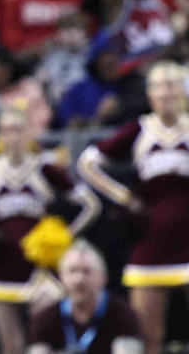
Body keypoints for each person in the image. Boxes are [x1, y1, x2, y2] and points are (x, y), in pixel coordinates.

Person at [0, 107, 101, 354]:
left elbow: (90, 204)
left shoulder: (45, 169)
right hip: (1, 267)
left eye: (18, 130)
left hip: (39, 270)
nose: (12, 137)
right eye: (6, 131)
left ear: (29, 133)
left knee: (45, 341)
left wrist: (66, 235)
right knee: (11, 346)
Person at [77, 61, 189, 354]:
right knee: (148, 334)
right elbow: (87, 163)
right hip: (150, 242)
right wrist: (122, 195)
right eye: (159, 86)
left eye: (172, 84)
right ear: (149, 93)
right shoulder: (140, 129)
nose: (166, 92)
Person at [27, 240, 143, 354]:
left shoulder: (122, 316)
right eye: (73, 271)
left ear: (103, 278)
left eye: (86, 272)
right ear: (61, 277)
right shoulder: (45, 319)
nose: (79, 280)